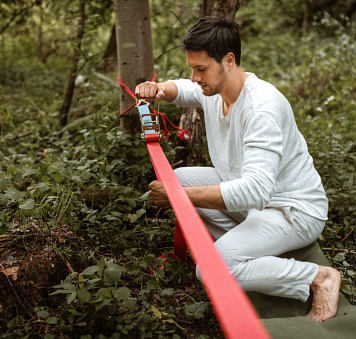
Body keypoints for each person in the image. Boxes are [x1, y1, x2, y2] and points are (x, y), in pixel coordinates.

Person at [135, 15, 341, 322]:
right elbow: (182, 89)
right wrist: (158, 88)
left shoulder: (262, 108)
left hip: (293, 210)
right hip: (253, 200)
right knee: (178, 177)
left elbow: (257, 191)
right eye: (192, 67)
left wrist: (181, 197)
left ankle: (316, 277)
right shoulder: (214, 90)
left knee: (212, 269)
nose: (194, 76)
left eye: (201, 68)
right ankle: (245, 248)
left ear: (228, 60)